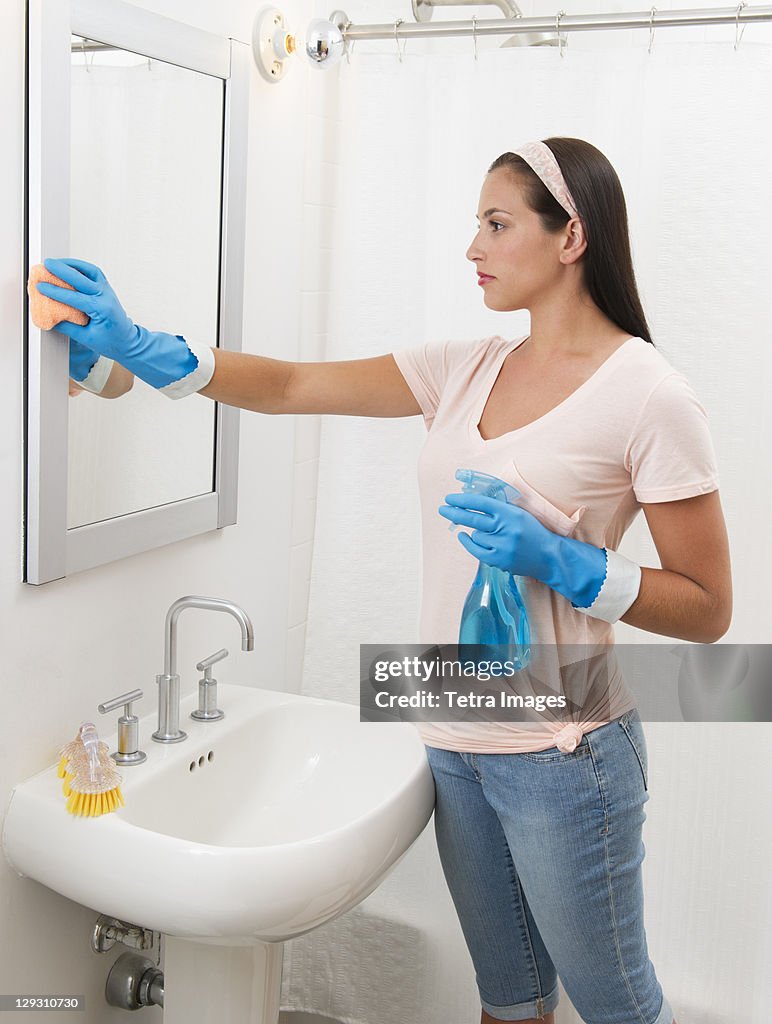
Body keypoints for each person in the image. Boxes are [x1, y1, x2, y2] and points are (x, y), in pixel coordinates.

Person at [36, 137, 731, 1024]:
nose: (472, 248)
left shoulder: (650, 395)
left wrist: (567, 563)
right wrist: (147, 349)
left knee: (618, 1009)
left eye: (496, 223)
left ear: (570, 238)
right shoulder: (466, 366)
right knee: (510, 1004)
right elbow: (290, 386)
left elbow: (711, 610)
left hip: (567, 755)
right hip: (455, 730)